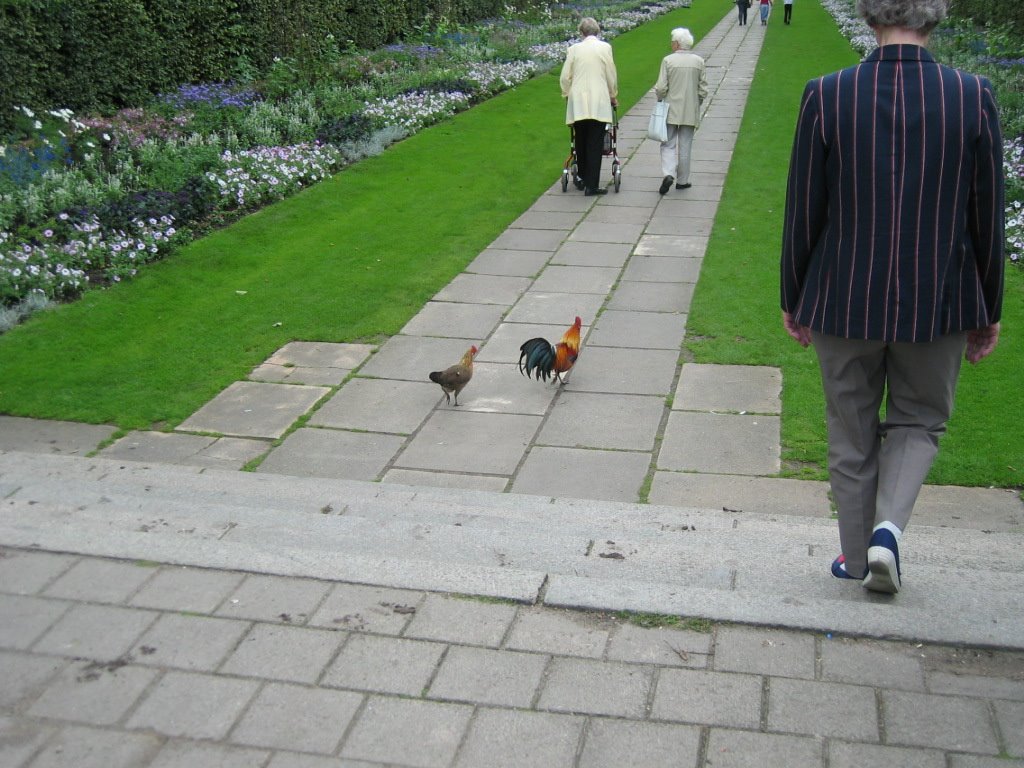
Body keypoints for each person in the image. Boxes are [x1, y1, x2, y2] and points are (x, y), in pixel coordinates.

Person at [780, 0, 1004, 594]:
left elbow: (804, 210)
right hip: (940, 300)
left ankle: (858, 560)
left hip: (844, 295)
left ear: (869, 15)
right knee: (920, 420)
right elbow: (987, 217)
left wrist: (794, 294)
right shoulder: (971, 94)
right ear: (935, 16)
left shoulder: (826, 94)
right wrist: (989, 307)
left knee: (850, 429)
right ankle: (886, 532)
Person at [560, 17, 618, 196]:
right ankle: (591, 185)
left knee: (581, 140)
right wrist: (613, 94)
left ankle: (583, 177)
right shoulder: (604, 48)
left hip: (578, 100)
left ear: (581, 32)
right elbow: (610, 74)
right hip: (598, 100)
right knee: (595, 143)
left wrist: (566, 93)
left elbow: (564, 77)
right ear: (597, 31)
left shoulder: (574, 49)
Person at [653, 27, 707, 195]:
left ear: (677, 44)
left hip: (670, 108)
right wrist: (696, 103)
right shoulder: (698, 61)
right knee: (685, 146)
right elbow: (703, 89)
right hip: (690, 110)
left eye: (672, 41)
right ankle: (682, 180)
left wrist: (661, 99)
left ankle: (668, 173)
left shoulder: (668, 61)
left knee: (668, 144)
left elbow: (661, 87)